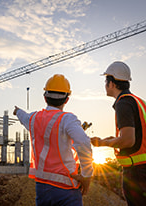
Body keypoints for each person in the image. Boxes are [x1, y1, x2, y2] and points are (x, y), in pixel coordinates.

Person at [91, 61, 146, 206]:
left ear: (112, 83)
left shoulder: (123, 103)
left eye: (106, 80)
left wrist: (104, 143)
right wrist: (101, 141)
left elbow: (128, 140)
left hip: (139, 174)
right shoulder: (138, 101)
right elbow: (129, 137)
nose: (105, 84)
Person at [13, 74, 93, 206]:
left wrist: (17, 111)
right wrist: (87, 175)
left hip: (42, 188)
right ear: (66, 100)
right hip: (66, 189)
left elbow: (23, 117)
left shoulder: (33, 119)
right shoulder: (67, 119)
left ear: (45, 97)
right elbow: (84, 143)